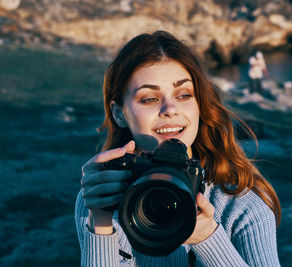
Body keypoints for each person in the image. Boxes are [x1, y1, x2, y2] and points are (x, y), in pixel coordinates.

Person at [75, 31, 281, 266]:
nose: (170, 109)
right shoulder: (102, 196)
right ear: (119, 113)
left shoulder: (241, 206)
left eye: (183, 95)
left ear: (199, 105)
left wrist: (207, 237)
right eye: (149, 99)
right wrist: (99, 222)